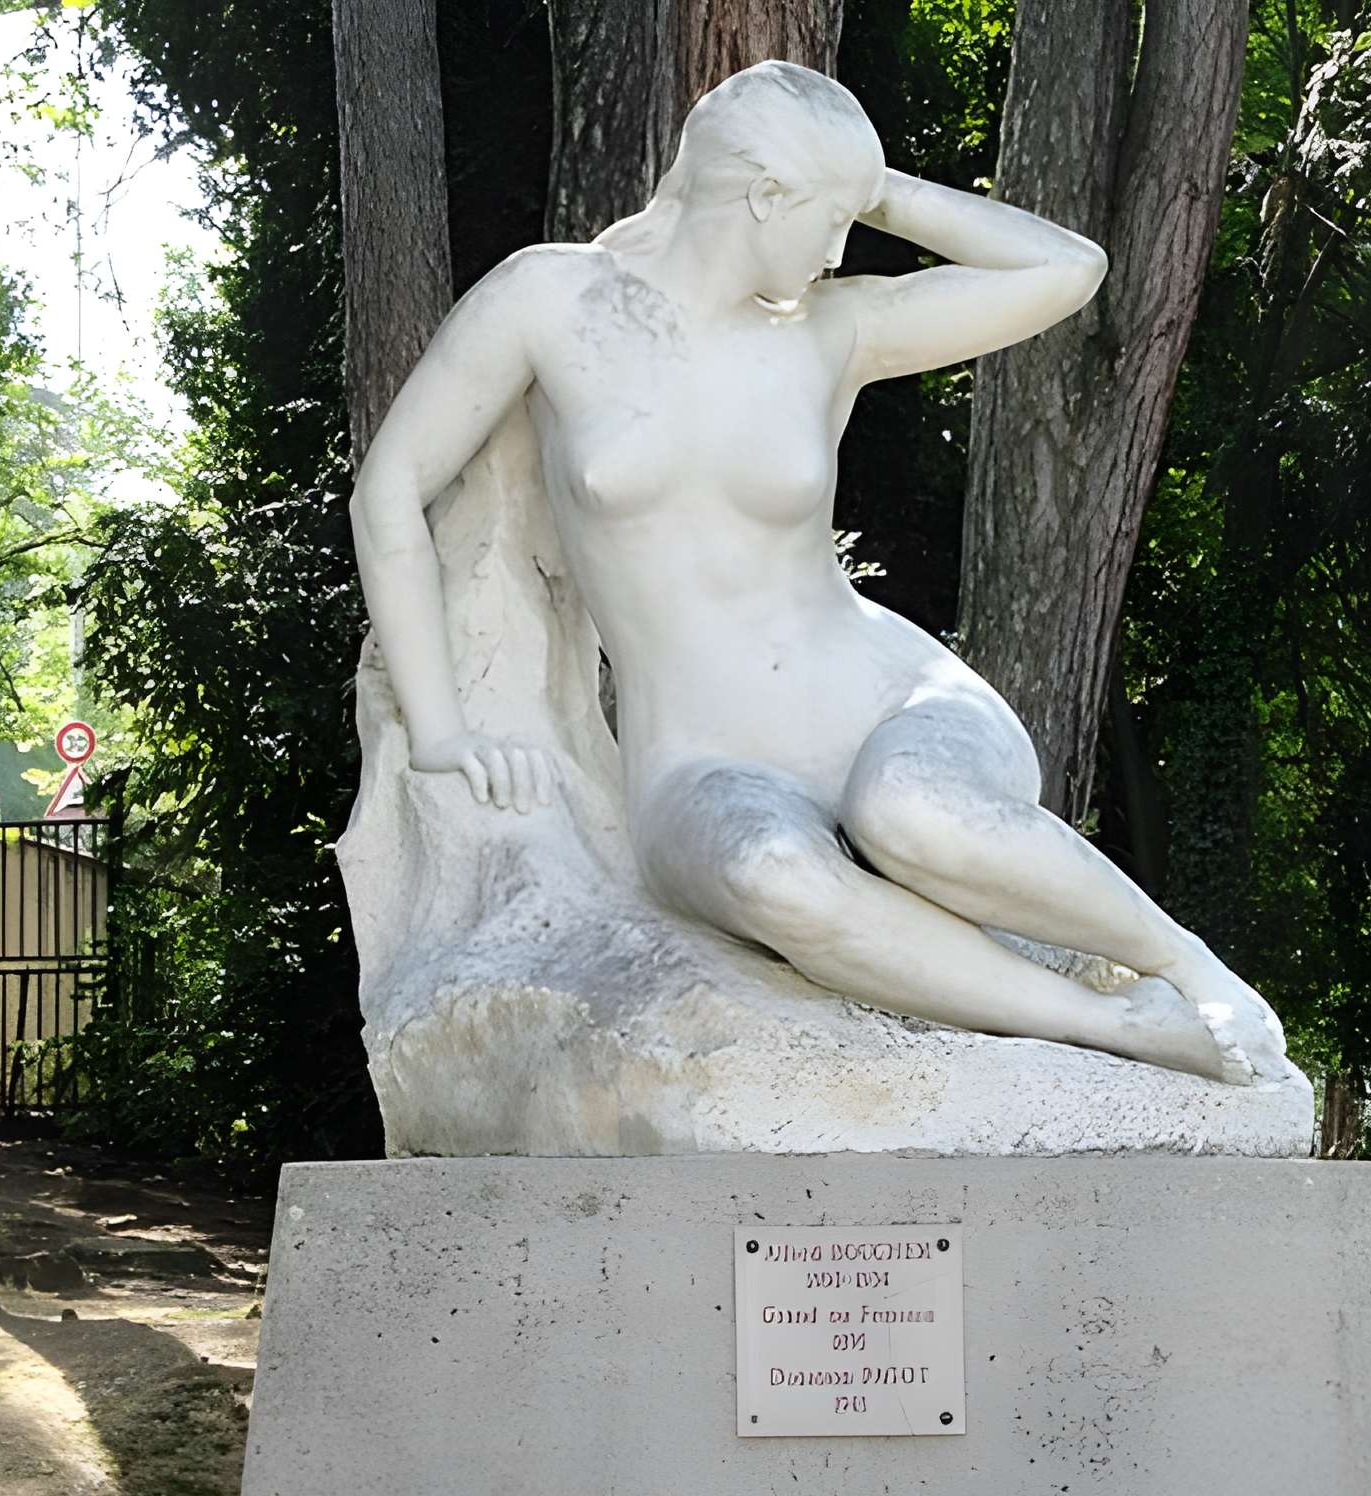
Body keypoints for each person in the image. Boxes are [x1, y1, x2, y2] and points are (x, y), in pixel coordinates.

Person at [350, 61, 1289, 1085]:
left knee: (915, 812)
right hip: (699, 760)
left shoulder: (834, 330)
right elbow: (389, 491)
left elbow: (1067, 270)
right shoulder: (551, 298)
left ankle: (1183, 965)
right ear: (764, 196)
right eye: (831, 219)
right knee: (777, 876)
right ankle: (1109, 1026)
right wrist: (441, 733)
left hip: (884, 694)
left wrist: (873, 181)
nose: (842, 248)